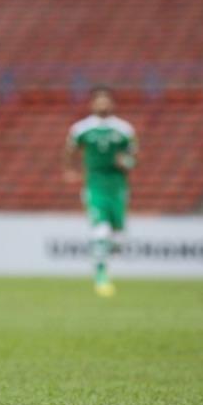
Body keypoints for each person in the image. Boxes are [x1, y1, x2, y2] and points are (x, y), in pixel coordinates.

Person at [64, 86, 138, 297]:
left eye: (106, 100)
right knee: (100, 230)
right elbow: (69, 151)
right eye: (99, 100)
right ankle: (100, 275)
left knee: (118, 238)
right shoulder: (81, 129)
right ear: (92, 103)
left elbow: (134, 157)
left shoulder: (124, 130)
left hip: (118, 186)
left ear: (112, 103)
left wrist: (127, 162)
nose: (102, 103)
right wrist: (70, 170)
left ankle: (102, 260)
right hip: (95, 184)